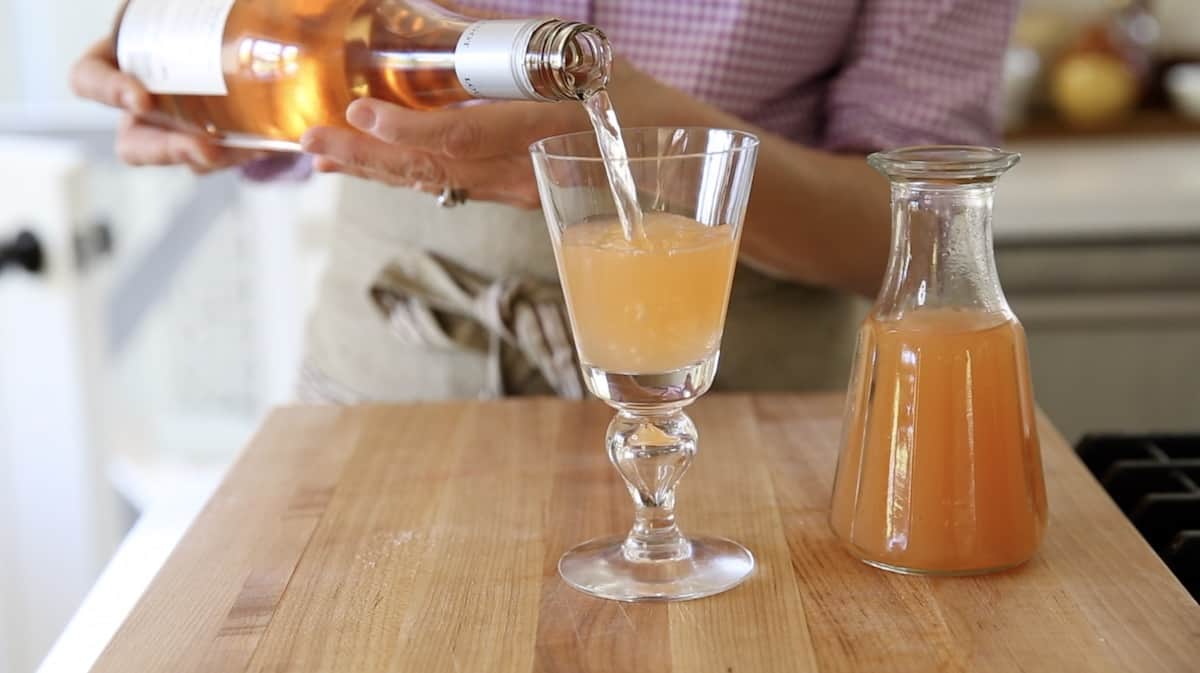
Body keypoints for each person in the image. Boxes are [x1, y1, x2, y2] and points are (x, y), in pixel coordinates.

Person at [71, 0, 1019, 402]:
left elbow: (909, 235)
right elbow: (283, 47)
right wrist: (182, 63)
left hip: (751, 406)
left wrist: (661, 144)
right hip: (391, 370)